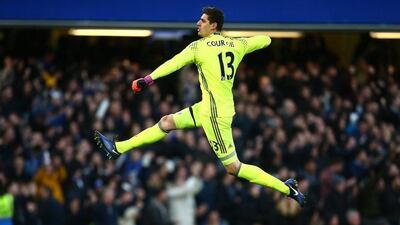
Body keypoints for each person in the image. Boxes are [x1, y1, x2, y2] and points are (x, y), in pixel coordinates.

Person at [95, 6, 305, 207]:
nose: (198, 23)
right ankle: (118, 148)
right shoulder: (237, 45)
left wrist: (148, 79)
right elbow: (265, 40)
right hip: (211, 107)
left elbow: (174, 63)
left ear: (213, 26)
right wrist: (252, 39)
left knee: (233, 168)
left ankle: (287, 189)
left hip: (214, 116)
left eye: (202, 21)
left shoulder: (199, 48)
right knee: (166, 122)